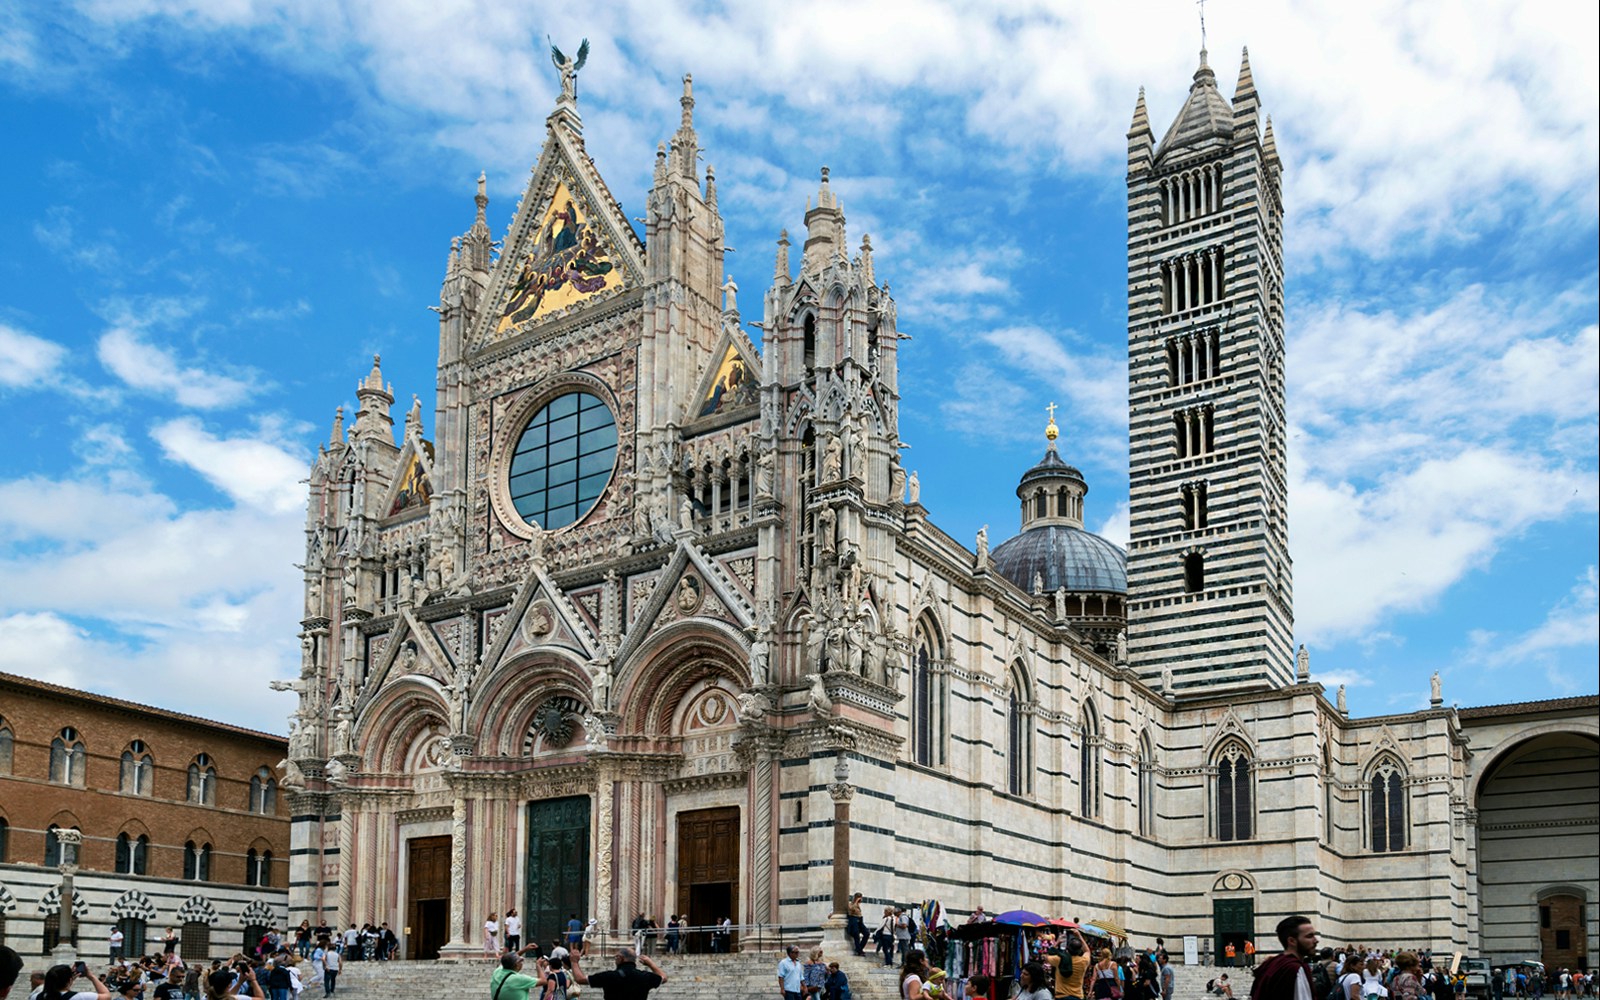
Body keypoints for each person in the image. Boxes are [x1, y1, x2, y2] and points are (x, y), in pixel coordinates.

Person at [1251, 915, 1321, 1000]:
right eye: (1309, 936)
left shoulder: (1271, 964)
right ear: (1292, 941)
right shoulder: (1294, 969)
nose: (1316, 940)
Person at [570, 947, 665, 999]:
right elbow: (663, 977)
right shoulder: (645, 976)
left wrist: (574, 962)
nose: (615, 960)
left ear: (621, 958)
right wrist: (650, 963)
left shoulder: (610, 976)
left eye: (616, 957)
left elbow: (580, 979)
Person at [1048, 926, 1091, 1000]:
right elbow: (1087, 951)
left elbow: (1047, 956)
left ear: (1067, 949)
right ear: (1079, 951)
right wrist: (1079, 936)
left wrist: (1057, 942)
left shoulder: (1059, 959)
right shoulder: (1084, 961)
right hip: (1077, 996)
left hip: (1061, 996)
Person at [36, 964, 112, 1000]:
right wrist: (91, 976)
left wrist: (69, 981)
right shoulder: (80, 997)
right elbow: (107, 996)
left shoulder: (36, 997)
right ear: (69, 980)